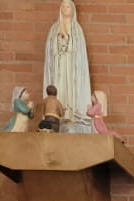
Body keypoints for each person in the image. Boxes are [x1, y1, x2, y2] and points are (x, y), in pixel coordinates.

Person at [43, 0, 91, 132]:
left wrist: (68, 48)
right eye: (63, 6)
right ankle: (57, 114)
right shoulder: (54, 29)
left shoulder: (77, 30)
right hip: (58, 64)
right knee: (58, 87)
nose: (65, 9)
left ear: (73, 10)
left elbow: (79, 52)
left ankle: (70, 113)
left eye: (68, 6)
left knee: (70, 89)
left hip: (71, 67)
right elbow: (50, 49)